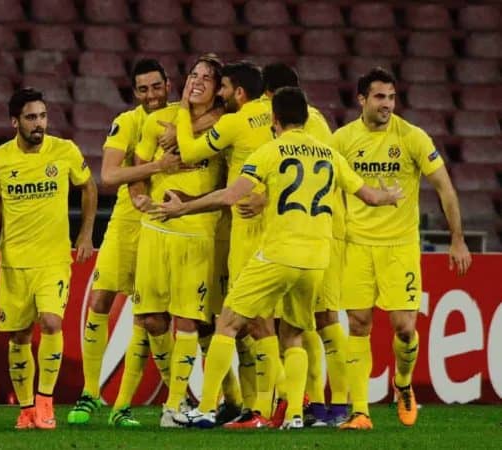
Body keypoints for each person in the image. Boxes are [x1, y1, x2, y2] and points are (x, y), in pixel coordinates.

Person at [150, 86, 403, 429]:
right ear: (305, 117)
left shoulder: (269, 151)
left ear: (275, 119)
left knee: (227, 322)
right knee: (294, 336)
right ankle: (296, 416)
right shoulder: (329, 155)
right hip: (316, 260)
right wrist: (390, 196)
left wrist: (184, 208)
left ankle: (207, 408)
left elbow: (229, 196)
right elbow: (370, 197)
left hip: (278, 254)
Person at [334, 67, 472, 430]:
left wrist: (457, 238)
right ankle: (360, 411)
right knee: (359, 324)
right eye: (380, 97)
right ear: (361, 99)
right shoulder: (343, 140)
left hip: (399, 246)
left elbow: (444, 186)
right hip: (357, 244)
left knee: (405, 328)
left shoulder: (412, 137)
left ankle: (403, 384)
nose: (387, 105)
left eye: (392, 97)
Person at [67, 59, 181, 427]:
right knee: (102, 297)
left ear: (169, 85)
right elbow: (109, 175)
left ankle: (149, 405)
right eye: (143, 89)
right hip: (128, 222)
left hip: (172, 224)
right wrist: (156, 168)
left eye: (156, 87)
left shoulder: (187, 120)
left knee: (153, 316)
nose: (151, 95)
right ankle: (89, 394)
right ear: (135, 92)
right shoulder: (127, 122)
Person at [0, 87, 98, 429]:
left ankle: (46, 402)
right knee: (18, 336)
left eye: (43, 116)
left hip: (53, 259)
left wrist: (86, 233)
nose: (39, 124)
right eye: (31, 117)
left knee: (50, 323)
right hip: (15, 261)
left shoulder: (64, 151)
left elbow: (88, 187)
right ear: (14, 121)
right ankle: (27, 408)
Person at [174, 61, 278, 427]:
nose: (218, 92)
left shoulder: (235, 122)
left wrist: (184, 110)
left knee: (241, 324)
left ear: (239, 93)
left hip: (247, 233)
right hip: (278, 228)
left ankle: (235, 409)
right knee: (265, 325)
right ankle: (266, 408)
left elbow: (187, 152)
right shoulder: (274, 114)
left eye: (224, 87)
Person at [129, 54, 229, 427]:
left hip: (196, 234)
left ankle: (172, 408)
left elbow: (229, 182)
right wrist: (139, 194)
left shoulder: (225, 127)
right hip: (156, 231)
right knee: (153, 319)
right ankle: (181, 396)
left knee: (189, 320)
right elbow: (136, 167)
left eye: (206, 77)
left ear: (219, 89)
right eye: (193, 74)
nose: (197, 81)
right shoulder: (159, 120)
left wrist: (193, 203)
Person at [261, 62, 349, 427]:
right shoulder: (313, 122)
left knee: (322, 318)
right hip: (317, 229)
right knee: (304, 320)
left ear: (271, 98)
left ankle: (340, 403)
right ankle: (308, 401)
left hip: (320, 230)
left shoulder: (299, 129)